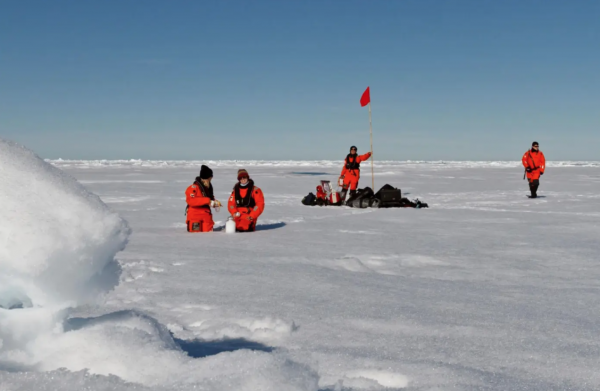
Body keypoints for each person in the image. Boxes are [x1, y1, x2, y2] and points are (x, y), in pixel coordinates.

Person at [185, 165, 222, 232]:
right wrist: (208, 201)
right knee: (195, 236)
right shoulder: (193, 188)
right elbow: (191, 201)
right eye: (210, 177)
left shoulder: (209, 187)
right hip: (195, 215)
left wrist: (215, 203)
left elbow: (211, 199)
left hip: (206, 215)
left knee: (209, 236)